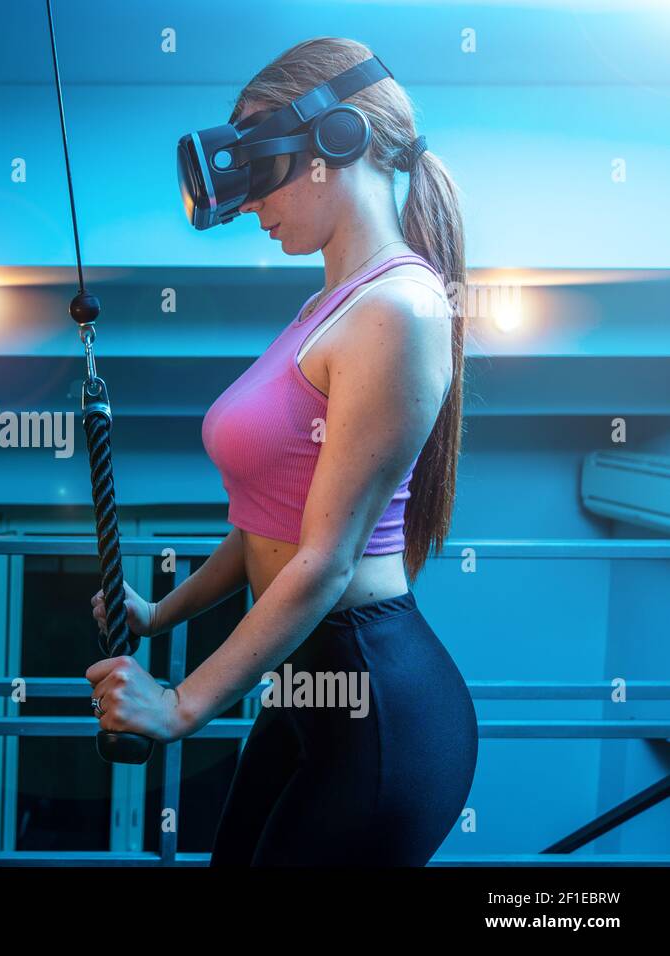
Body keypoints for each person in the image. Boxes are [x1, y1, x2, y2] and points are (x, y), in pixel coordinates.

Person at [87, 36, 477, 865]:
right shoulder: (325, 307)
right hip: (304, 682)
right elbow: (276, 518)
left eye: (262, 166)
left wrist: (182, 707)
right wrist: (164, 614)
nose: (250, 204)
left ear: (338, 143)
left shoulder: (396, 312)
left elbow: (325, 561)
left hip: (375, 696)